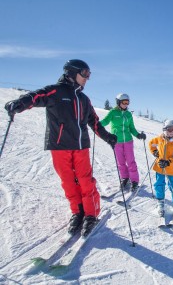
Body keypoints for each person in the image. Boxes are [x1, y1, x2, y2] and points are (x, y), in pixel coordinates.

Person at [4, 59, 117, 237]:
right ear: (72, 73)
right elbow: (35, 96)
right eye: (84, 74)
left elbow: (94, 122)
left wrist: (107, 137)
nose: (87, 78)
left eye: (89, 75)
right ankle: (78, 212)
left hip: (80, 147)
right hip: (59, 146)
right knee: (68, 181)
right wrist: (20, 103)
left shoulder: (84, 99)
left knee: (85, 180)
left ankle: (90, 215)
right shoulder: (55, 91)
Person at [100, 93, 146, 192]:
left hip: (128, 141)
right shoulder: (113, 112)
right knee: (120, 162)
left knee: (131, 161)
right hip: (116, 141)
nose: (126, 104)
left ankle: (134, 181)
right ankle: (125, 178)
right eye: (124, 102)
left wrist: (138, 135)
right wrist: (96, 124)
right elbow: (105, 121)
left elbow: (132, 128)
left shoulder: (128, 114)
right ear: (118, 102)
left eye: (127, 103)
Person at [149, 119, 173, 218]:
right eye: (170, 129)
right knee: (159, 184)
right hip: (159, 167)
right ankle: (160, 201)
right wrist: (154, 151)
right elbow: (151, 144)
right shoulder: (159, 139)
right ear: (164, 129)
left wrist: (168, 161)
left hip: (171, 169)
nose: (172, 132)